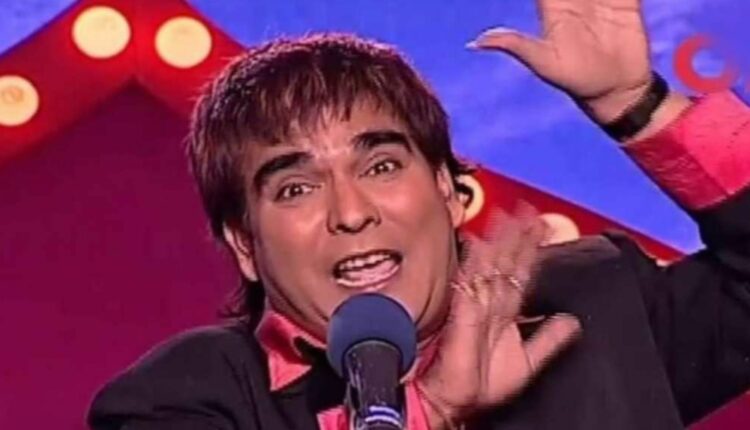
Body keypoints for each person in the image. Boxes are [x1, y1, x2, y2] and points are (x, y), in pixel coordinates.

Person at [87, 0, 750, 428]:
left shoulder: (597, 304)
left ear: (449, 191)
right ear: (244, 244)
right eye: (295, 188)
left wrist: (633, 103)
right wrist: (430, 410)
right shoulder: (181, 399)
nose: (351, 213)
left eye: (381, 166)